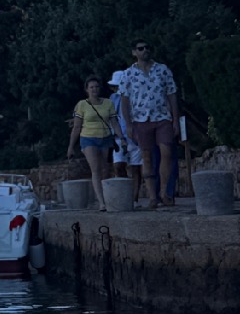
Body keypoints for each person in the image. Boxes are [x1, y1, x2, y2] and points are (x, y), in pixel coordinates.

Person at [121, 39, 180, 209]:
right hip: (140, 120)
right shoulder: (128, 74)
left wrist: (175, 119)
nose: (145, 50)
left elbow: (172, 94)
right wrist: (128, 125)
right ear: (134, 52)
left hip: (162, 117)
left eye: (147, 47)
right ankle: (152, 196)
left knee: (166, 151)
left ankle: (164, 192)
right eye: (141, 48)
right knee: (146, 157)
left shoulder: (162, 69)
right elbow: (124, 101)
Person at [67, 75, 125, 211]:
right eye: (91, 87)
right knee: (95, 168)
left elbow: (114, 122)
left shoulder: (108, 103)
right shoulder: (82, 105)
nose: (94, 89)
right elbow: (77, 127)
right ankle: (101, 202)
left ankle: (106, 197)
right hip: (88, 138)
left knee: (105, 169)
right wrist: (71, 146)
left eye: (96, 87)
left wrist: (122, 138)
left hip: (105, 137)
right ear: (87, 89)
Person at [108, 69, 144, 207]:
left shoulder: (135, 96)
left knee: (136, 168)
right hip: (119, 137)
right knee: (118, 166)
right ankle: (124, 195)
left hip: (134, 137)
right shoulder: (112, 99)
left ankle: (134, 198)